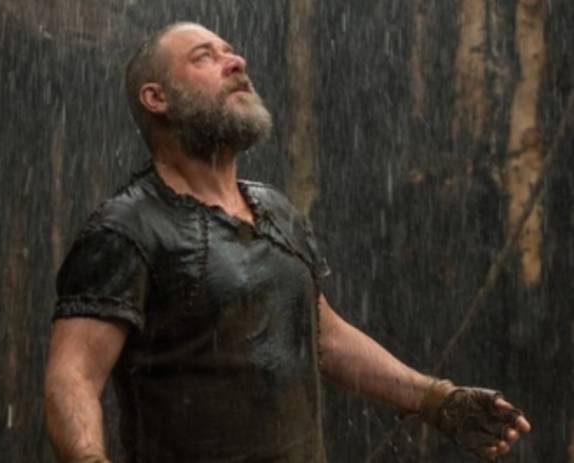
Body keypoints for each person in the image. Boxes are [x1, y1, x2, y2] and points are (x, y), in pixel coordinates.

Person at [44, 22, 531, 463]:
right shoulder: (126, 227)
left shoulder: (275, 210)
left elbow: (324, 337)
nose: (236, 62)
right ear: (157, 98)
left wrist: (437, 400)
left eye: (230, 51)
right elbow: (73, 377)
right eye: (204, 57)